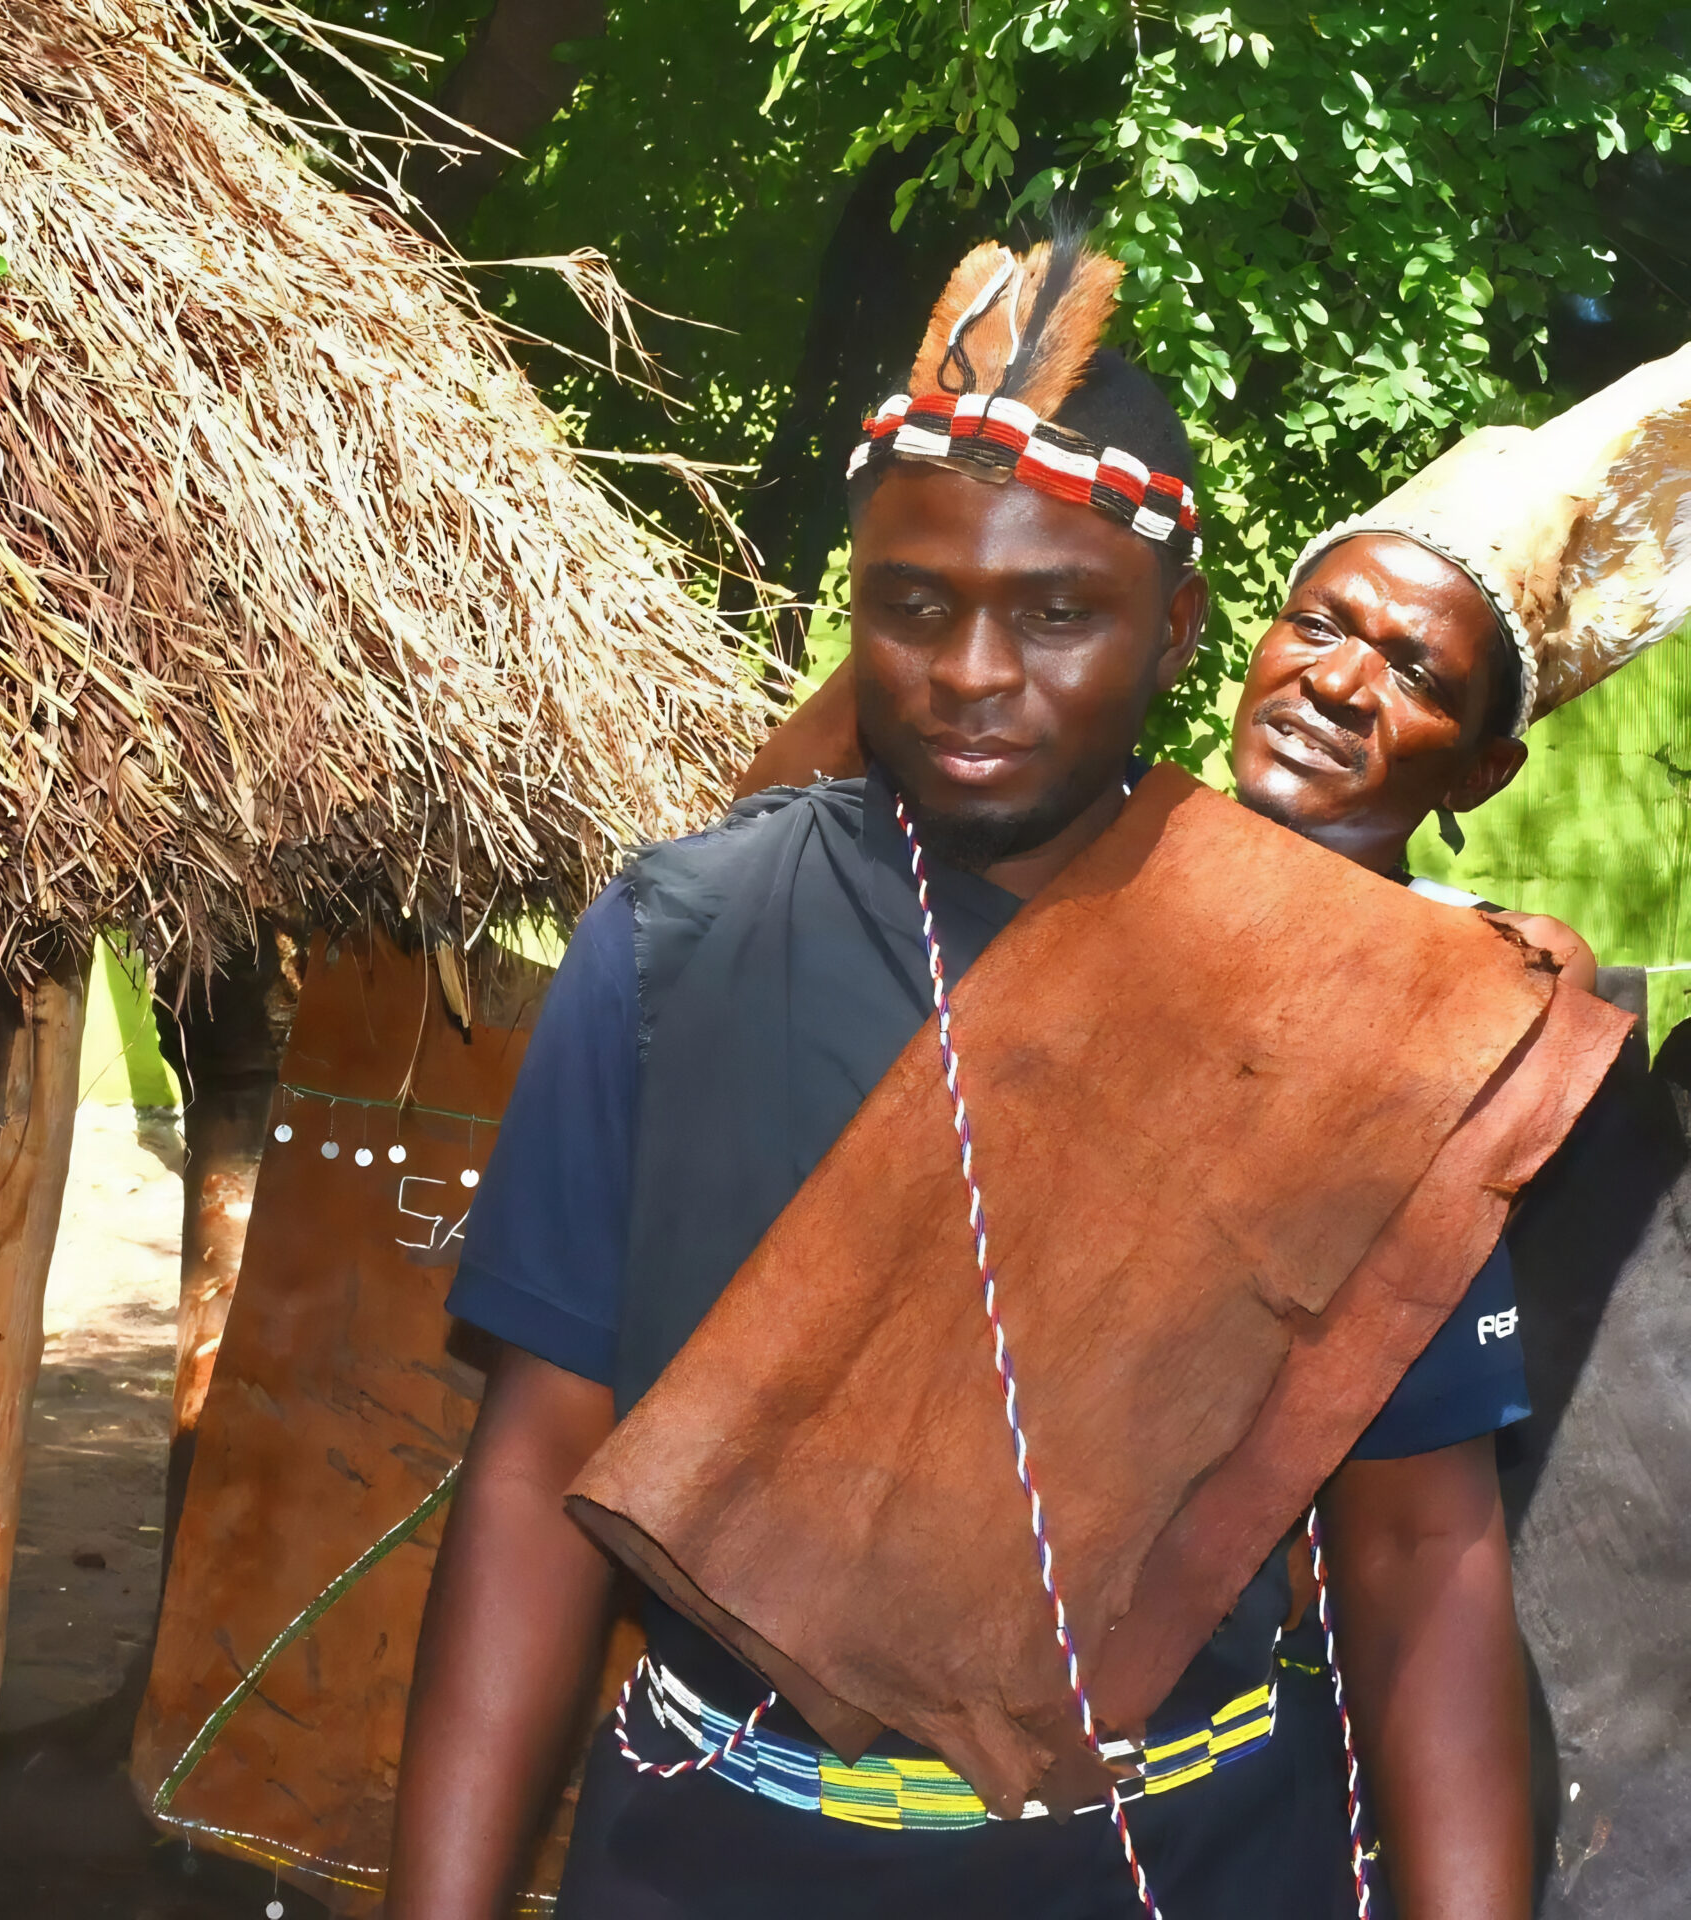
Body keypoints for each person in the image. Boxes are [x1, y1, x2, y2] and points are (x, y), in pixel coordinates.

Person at [376, 236, 1646, 1920]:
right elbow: (540, 1472)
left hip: (1174, 1864)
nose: (975, 675)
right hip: (712, 1857)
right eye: (914, 606)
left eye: (1058, 614)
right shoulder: (675, 942)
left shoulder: (1356, 1007)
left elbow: (1423, 1557)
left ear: (1180, 623)